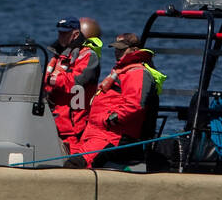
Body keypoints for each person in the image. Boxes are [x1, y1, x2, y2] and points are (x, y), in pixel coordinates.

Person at [68, 33, 167, 168]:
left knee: (75, 165)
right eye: (116, 49)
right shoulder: (122, 70)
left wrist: (110, 119)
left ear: (134, 50)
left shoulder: (137, 73)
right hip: (97, 133)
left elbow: (134, 105)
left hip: (113, 136)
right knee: (71, 160)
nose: (117, 53)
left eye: (122, 49)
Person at [44, 15, 103, 148]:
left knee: (72, 156)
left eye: (64, 33)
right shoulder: (59, 55)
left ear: (76, 34)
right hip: (54, 120)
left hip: (73, 125)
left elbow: (75, 81)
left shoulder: (88, 56)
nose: (60, 36)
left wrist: (50, 79)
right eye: (59, 33)